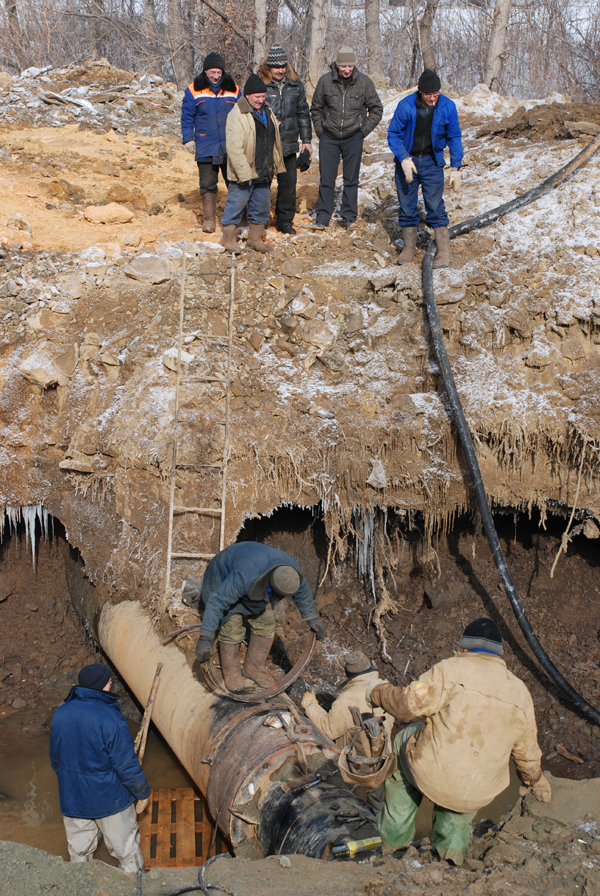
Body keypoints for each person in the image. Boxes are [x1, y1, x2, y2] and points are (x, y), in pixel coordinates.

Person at [365, 618, 551, 865]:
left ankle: (393, 842)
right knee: (468, 786)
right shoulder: (521, 693)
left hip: (434, 774)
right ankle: (450, 858)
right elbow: (527, 755)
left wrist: (376, 691)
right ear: (498, 654)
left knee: (403, 739)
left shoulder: (450, 671)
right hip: (479, 791)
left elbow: (405, 705)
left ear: (465, 648)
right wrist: (534, 781)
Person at [49, 663, 151, 874]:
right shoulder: (110, 718)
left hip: (73, 799)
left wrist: (72, 782)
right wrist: (142, 792)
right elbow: (125, 764)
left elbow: (56, 760)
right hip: (109, 801)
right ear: (103, 685)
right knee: (126, 850)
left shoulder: (61, 713)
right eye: (110, 682)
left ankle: (81, 886)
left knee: (79, 852)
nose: (111, 684)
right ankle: (135, 885)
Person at [192, 541, 326, 692]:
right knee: (232, 627)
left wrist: (311, 618)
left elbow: (302, 592)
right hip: (221, 576)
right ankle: (232, 672)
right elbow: (217, 602)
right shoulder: (245, 577)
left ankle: (253, 668)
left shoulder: (291, 572)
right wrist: (206, 637)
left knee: (266, 623)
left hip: (255, 568)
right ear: (272, 585)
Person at [387, 69, 463, 268]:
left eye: (435, 94)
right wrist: (403, 159)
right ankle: (409, 248)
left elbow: (454, 137)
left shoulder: (447, 106)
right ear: (420, 91)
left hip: (431, 162)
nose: (432, 98)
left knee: (435, 205)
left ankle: (444, 250)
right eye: (428, 94)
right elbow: (393, 134)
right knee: (407, 205)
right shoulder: (406, 106)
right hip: (408, 162)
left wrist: (456, 166)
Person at [310, 46, 383, 230]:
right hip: (329, 137)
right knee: (327, 179)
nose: (347, 70)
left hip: (353, 137)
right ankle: (323, 217)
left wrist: (362, 132)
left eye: (350, 66)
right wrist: (321, 132)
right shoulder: (325, 82)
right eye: (344, 66)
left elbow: (376, 109)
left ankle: (348, 216)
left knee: (351, 179)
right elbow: (316, 108)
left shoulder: (364, 82)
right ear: (337, 65)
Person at [220, 74, 285, 254]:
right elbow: (233, 147)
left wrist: (276, 163)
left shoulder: (268, 111)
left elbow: (274, 140)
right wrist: (243, 172)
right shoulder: (237, 113)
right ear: (247, 95)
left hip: (263, 169)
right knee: (236, 204)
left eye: (263, 96)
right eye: (257, 96)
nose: (260, 100)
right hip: (245, 171)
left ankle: (255, 239)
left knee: (261, 207)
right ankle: (228, 239)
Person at [180, 51, 242, 233]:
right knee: (208, 183)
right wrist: (188, 139)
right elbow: (187, 116)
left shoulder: (234, 89)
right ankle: (209, 220)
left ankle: (235, 219)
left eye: (218, 72)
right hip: (206, 143)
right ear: (205, 71)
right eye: (212, 72)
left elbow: (244, 114)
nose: (215, 76)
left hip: (230, 145)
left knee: (234, 182)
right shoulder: (194, 90)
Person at [258, 44, 312, 235]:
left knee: (288, 184)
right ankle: (260, 220)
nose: (280, 70)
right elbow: (251, 111)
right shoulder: (260, 84)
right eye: (275, 67)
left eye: (283, 66)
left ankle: (284, 220)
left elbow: (303, 113)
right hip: (266, 144)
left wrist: (306, 142)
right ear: (268, 68)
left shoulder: (295, 84)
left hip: (289, 142)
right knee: (262, 182)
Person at [301, 650, 393, 747]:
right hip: (386, 755)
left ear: (348, 674)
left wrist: (310, 705)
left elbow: (328, 730)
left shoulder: (347, 698)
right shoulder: (387, 689)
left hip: (357, 758)